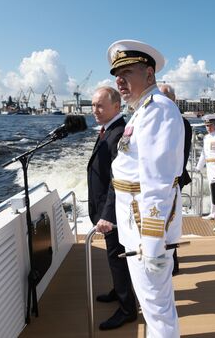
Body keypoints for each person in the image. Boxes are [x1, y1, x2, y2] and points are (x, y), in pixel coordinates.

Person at [108, 39, 184, 338]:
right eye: (116, 73)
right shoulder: (141, 111)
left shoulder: (157, 110)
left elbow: (158, 181)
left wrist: (153, 242)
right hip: (133, 220)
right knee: (152, 304)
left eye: (127, 71)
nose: (119, 80)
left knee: (157, 306)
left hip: (144, 225)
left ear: (149, 75)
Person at [87, 86, 137, 330]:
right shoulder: (108, 130)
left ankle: (128, 309)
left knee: (117, 258)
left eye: (99, 105)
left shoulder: (119, 134)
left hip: (114, 212)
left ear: (116, 107)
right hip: (107, 209)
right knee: (114, 257)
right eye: (93, 105)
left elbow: (118, 179)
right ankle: (119, 290)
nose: (94, 110)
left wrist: (107, 215)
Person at [159, 83, 192, 275]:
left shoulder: (180, 123)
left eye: (164, 96)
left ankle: (172, 265)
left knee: (169, 226)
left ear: (173, 99)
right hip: (163, 183)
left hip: (171, 182)